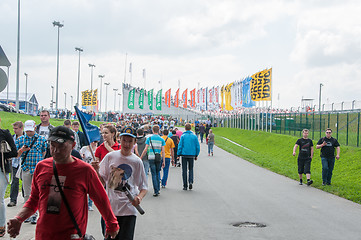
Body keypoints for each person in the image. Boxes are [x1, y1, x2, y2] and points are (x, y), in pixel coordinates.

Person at [7, 126, 119, 239]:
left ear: (73, 145)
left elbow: (101, 199)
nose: (56, 151)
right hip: (43, 235)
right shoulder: (41, 167)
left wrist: (112, 223)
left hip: (72, 236)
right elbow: (34, 200)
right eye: (52, 145)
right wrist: (19, 219)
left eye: (61, 146)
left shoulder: (85, 170)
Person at [92, 132, 147, 240]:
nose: (126, 144)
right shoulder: (110, 157)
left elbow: (144, 187)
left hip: (128, 210)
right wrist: (96, 170)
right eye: (124, 140)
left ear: (134, 143)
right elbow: (102, 182)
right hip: (110, 209)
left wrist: (139, 198)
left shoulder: (137, 161)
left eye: (130, 141)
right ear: (119, 140)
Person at [15, 120, 48, 224]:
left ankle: (36, 214)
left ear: (34, 128)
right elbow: (16, 154)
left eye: (30, 130)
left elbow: (44, 152)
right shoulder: (20, 140)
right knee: (27, 193)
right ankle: (28, 214)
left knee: (38, 192)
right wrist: (21, 151)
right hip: (26, 168)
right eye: (27, 131)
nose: (29, 132)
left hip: (37, 170)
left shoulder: (41, 139)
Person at [0, 117, 18, 237]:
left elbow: (14, 152)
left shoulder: (4, 133)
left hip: (1, 169)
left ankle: (1, 225)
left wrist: (2, 151)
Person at [140, 125, 165, 197]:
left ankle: (156, 190)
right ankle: (158, 188)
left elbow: (145, 149)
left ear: (153, 131)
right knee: (158, 173)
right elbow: (163, 151)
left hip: (151, 157)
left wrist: (141, 157)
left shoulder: (149, 139)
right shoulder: (161, 139)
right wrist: (164, 161)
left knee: (153, 173)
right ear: (159, 130)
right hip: (158, 158)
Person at [178, 123, 200, 190]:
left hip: (184, 154)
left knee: (184, 170)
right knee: (191, 169)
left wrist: (178, 154)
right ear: (190, 128)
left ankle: (185, 185)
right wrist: (196, 154)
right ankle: (190, 181)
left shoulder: (183, 136)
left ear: (185, 128)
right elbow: (197, 146)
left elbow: (180, 146)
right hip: (192, 154)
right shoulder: (194, 136)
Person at [7, 121, 24, 207]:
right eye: (13, 128)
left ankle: (26, 198)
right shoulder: (12, 137)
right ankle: (13, 200)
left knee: (25, 181)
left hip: (23, 162)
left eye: (16, 128)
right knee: (14, 181)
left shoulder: (26, 137)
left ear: (21, 128)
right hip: (14, 163)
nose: (14, 130)